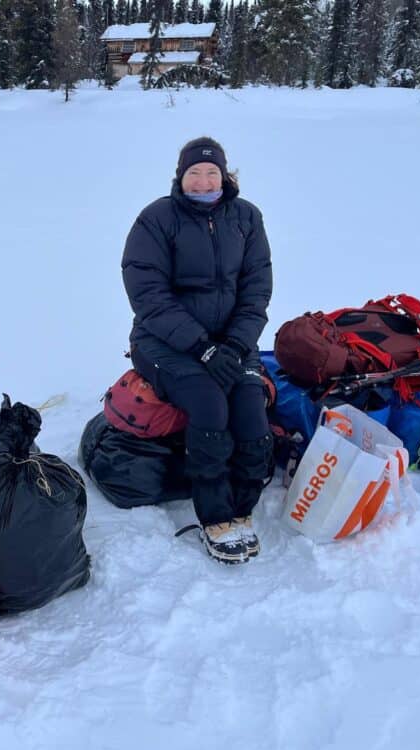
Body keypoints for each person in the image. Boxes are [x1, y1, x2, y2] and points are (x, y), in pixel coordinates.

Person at [121, 136, 273, 564]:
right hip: (162, 342)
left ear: (225, 175)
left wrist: (236, 344)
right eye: (194, 173)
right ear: (180, 176)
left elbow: (256, 290)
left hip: (231, 342)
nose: (204, 181)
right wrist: (202, 349)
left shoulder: (246, 218)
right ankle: (215, 516)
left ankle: (242, 504)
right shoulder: (157, 219)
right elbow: (148, 294)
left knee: (249, 407)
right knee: (209, 405)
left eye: (212, 172)